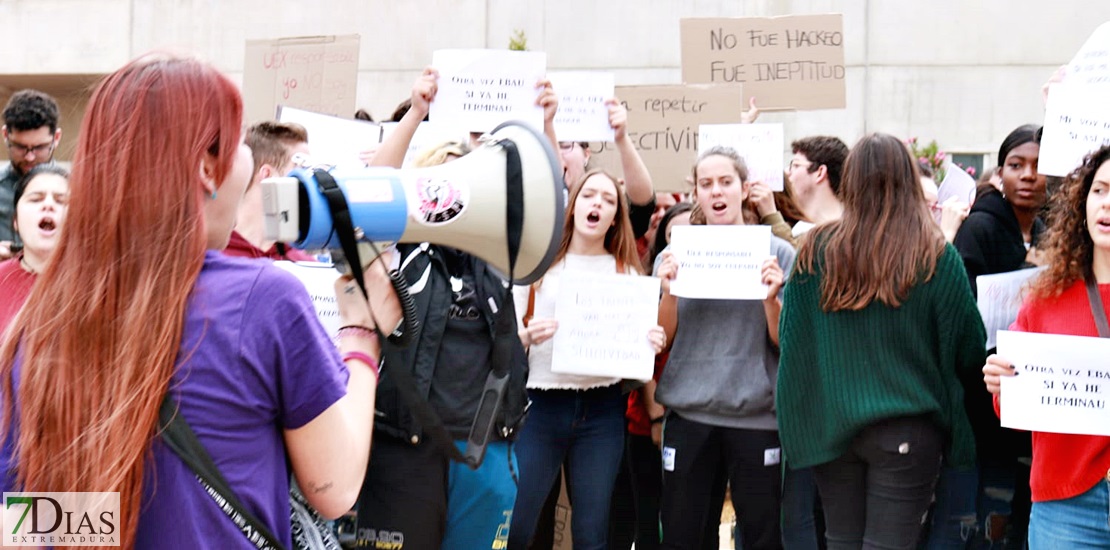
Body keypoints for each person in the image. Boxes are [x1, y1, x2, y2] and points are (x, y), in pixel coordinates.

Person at [0, 54, 400, 549]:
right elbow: (334, 488)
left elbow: (28, 522)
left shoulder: (42, 315)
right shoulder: (265, 298)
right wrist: (361, 335)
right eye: (238, 142)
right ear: (207, 168)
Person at [777, 133, 986, 550]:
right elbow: (970, 346)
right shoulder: (934, 254)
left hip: (831, 427)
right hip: (908, 430)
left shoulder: (815, 250)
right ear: (910, 180)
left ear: (850, 180)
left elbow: (793, 348)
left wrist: (798, 427)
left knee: (840, 542)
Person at [355, 67, 533, 550]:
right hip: (406, 453)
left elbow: (540, 190)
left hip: (484, 452)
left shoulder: (499, 256)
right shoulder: (402, 248)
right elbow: (373, 189)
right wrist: (415, 113)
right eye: (443, 179)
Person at [508, 169, 666, 550]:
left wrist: (651, 341)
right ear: (573, 205)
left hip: (602, 410)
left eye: (609, 200)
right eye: (589, 195)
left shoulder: (625, 271)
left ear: (616, 217)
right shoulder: (536, 267)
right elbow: (504, 344)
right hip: (539, 407)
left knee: (593, 532)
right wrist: (527, 337)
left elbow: (634, 348)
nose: (598, 203)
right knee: (517, 522)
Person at [654, 146, 793, 550]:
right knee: (683, 536)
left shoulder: (779, 254)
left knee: (763, 536)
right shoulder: (675, 255)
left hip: (756, 418)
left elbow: (786, 343)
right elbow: (662, 340)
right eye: (706, 184)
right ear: (695, 192)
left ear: (744, 188)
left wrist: (771, 298)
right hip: (689, 414)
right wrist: (669, 292)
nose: (716, 192)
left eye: (726, 182)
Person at [982, 144, 1110, 548]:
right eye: (1100, 190)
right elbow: (1017, 408)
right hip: (1068, 504)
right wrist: (1001, 382)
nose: (1107, 204)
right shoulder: (1046, 295)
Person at [224, 120, 315, 260]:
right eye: (301, 169)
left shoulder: (302, 263)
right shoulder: (212, 256)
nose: (310, 183)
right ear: (267, 175)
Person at [0, 165, 69, 331]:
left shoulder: (95, 284)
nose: (48, 205)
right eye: (36, 199)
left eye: (61, 201)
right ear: (15, 221)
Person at [0, 90, 62, 260]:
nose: (29, 157)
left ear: (56, 138)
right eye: (20, 147)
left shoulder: (77, 190)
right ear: (5, 135)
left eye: (39, 148)